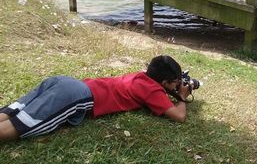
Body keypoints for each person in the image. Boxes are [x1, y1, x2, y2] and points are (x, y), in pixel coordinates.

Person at [0, 55, 192, 142]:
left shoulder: (141, 77)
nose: (177, 86)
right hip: (77, 95)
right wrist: (182, 97)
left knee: (13, 112)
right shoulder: (152, 90)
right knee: (22, 125)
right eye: (176, 83)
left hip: (64, 82)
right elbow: (179, 117)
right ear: (165, 82)